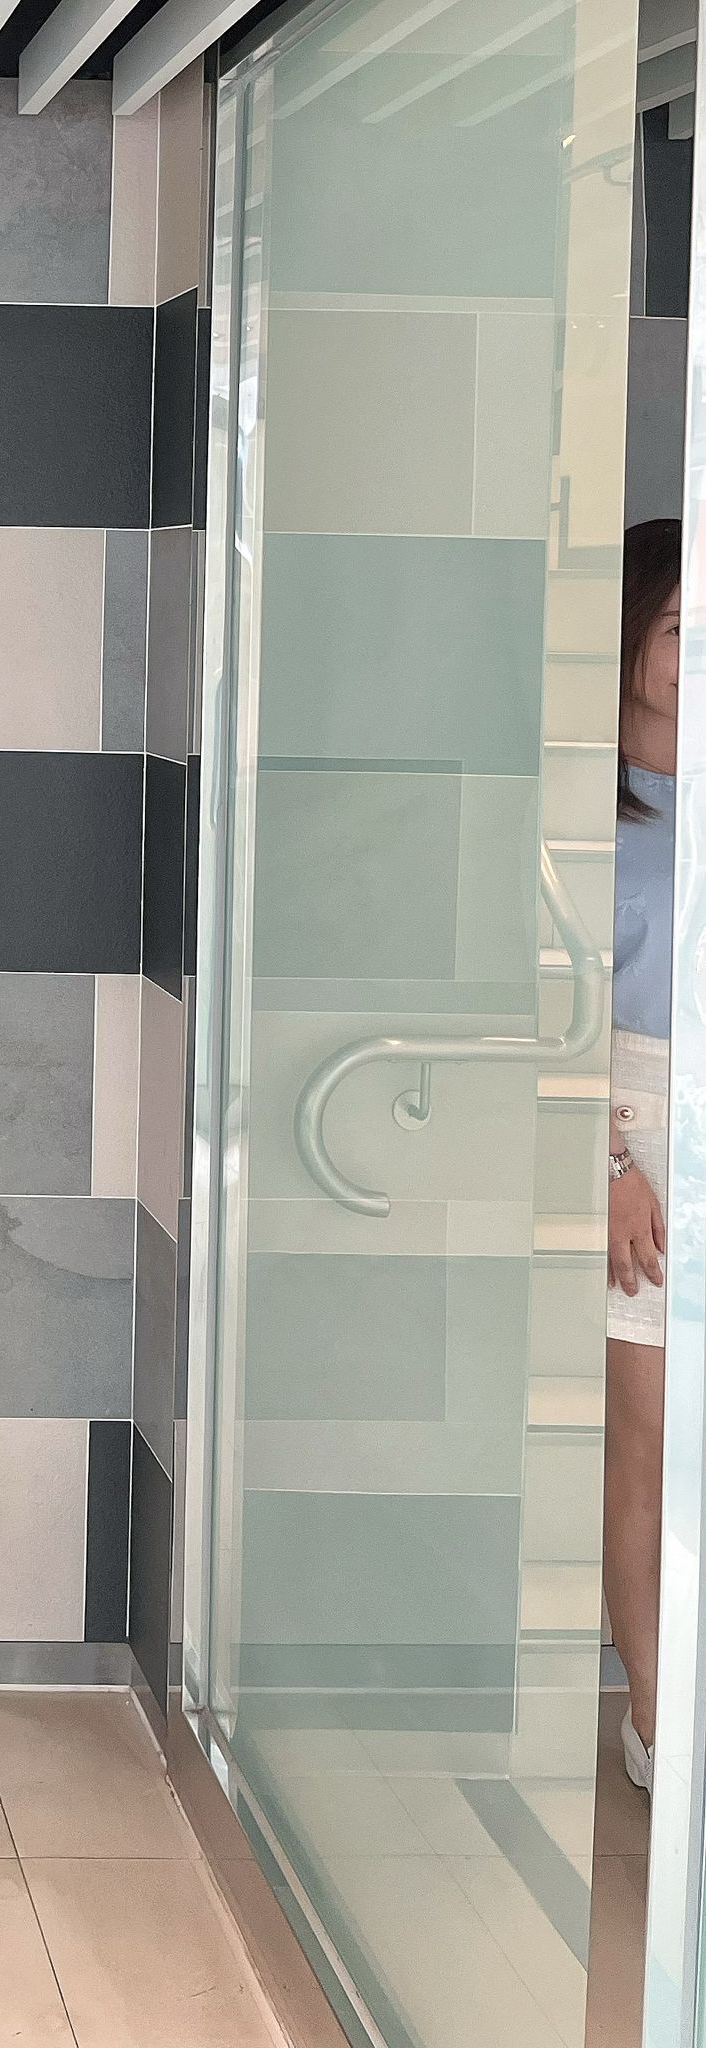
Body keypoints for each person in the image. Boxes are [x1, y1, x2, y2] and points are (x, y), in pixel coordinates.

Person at [605, 516, 680, 1795]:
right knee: (649, 1438)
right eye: (677, 625)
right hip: (634, 1129)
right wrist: (603, 1159)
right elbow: (535, 1000)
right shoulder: (578, 808)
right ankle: (655, 1723)